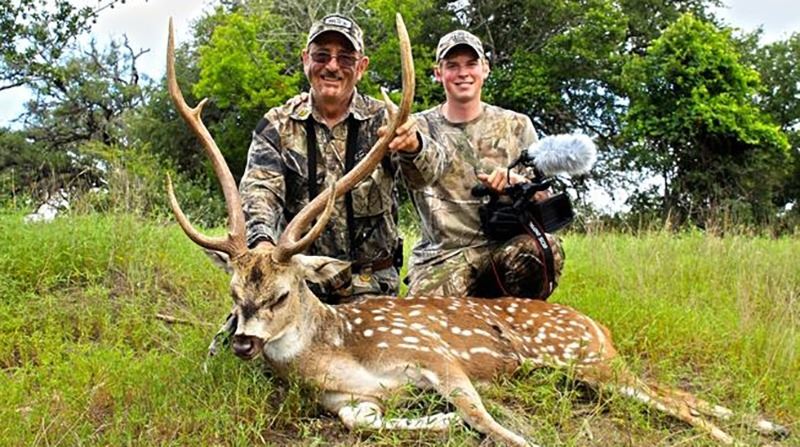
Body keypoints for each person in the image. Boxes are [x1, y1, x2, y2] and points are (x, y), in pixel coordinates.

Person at [238, 13, 446, 303]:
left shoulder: (386, 120)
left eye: (345, 58)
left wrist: (414, 146)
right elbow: (259, 190)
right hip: (297, 283)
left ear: (361, 67)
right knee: (239, 331)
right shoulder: (277, 125)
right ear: (305, 59)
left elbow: (428, 176)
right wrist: (262, 242)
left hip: (369, 283)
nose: (332, 66)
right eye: (321, 55)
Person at [406, 30, 564, 299]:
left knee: (541, 250)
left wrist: (517, 185)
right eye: (452, 66)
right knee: (428, 319)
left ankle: (522, 320)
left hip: (501, 250)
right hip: (443, 258)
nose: (463, 73)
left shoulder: (517, 125)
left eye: (471, 64)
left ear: (486, 69)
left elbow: (545, 200)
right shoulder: (415, 128)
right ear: (438, 73)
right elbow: (412, 176)